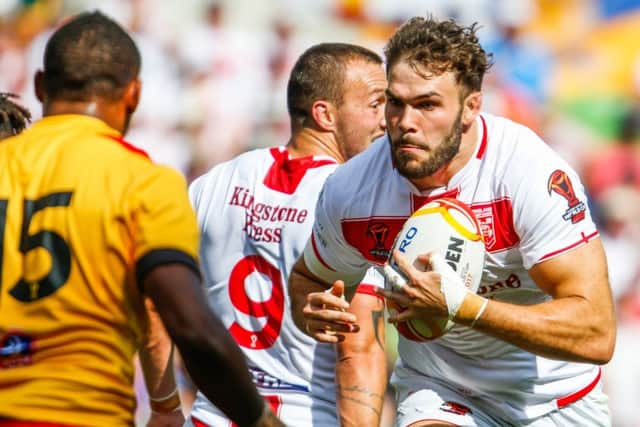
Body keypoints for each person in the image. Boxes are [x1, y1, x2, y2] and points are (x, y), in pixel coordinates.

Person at [289, 16, 616, 427]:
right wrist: (311, 310)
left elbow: (596, 332)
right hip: (441, 391)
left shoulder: (526, 172)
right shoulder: (352, 190)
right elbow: (310, 279)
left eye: (427, 104)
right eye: (395, 102)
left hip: (556, 399)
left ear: (470, 108)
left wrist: (464, 307)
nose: (406, 121)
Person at [0, 12, 282, 427]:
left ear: (40, 85)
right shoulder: (145, 182)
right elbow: (190, 327)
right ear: (133, 94)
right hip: (85, 415)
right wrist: (258, 419)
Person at [186, 43, 388, 427]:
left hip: (210, 416)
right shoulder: (355, 203)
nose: (387, 121)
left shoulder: (213, 183)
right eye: (375, 105)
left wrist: (163, 404)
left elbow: (161, 303)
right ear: (325, 114)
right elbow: (358, 348)